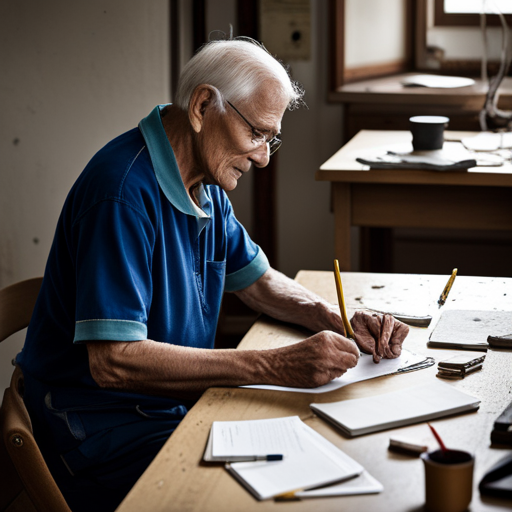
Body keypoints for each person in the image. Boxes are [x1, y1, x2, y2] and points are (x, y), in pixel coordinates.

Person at [16, 38, 409, 511]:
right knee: (267, 497)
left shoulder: (201, 180)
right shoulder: (120, 195)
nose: (264, 156)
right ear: (203, 105)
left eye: (271, 138)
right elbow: (113, 361)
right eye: (257, 134)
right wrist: (274, 366)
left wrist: (332, 316)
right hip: (98, 428)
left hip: (167, 406)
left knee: (325, 453)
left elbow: (260, 282)